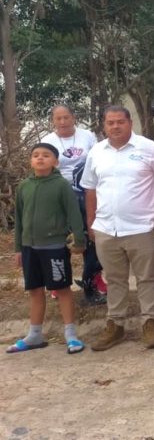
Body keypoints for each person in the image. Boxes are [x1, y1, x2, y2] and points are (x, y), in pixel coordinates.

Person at [81, 106, 154, 351]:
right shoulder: (96, 152)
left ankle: (150, 322)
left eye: (120, 121)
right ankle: (116, 324)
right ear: (104, 126)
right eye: (110, 122)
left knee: (147, 278)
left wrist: (151, 201)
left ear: (130, 123)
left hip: (140, 226)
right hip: (106, 228)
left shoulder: (149, 148)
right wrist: (91, 223)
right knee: (114, 279)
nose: (115, 126)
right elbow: (90, 189)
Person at [7, 143, 87, 355]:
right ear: (30, 161)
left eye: (45, 155)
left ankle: (71, 334)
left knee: (61, 289)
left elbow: (74, 214)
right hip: (29, 248)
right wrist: (18, 248)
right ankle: (34, 335)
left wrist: (79, 240)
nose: (40, 158)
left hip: (54, 248)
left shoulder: (61, 185)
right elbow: (20, 219)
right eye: (35, 155)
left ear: (55, 161)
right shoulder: (24, 186)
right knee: (34, 290)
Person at [40, 104, 105, 304]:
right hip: (59, 194)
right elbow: (43, 167)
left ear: (73, 118)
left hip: (85, 193)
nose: (62, 121)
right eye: (58, 118)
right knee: (60, 241)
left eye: (66, 117)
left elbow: (97, 161)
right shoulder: (48, 141)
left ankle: (93, 281)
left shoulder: (88, 136)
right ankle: (59, 283)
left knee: (89, 239)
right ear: (53, 120)